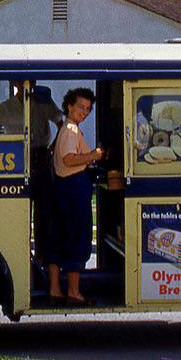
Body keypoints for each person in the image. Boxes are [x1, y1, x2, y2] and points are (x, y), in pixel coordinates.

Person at [0, 81, 63, 263]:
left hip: (41, 157)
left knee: (44, 211)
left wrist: (53, 147)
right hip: (17, 160)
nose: (25, 84)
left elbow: (61, 123)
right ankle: (22, 255)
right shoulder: (6, 107)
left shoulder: (44, 103)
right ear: (15, 83)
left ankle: (42, 257)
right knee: (19, 209)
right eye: (20, 80)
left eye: (29, 80)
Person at [48, 87, 104, 306]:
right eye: (81, 107)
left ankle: (55, 289)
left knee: (59, 238)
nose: (84, 112)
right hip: (73, 188)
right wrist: (94, 155)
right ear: (69, 106)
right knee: (77, 238)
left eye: (88, 109)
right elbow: (70, 159)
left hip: (63, 188)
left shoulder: (66, 128)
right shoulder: (71, 129)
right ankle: (74, 291)